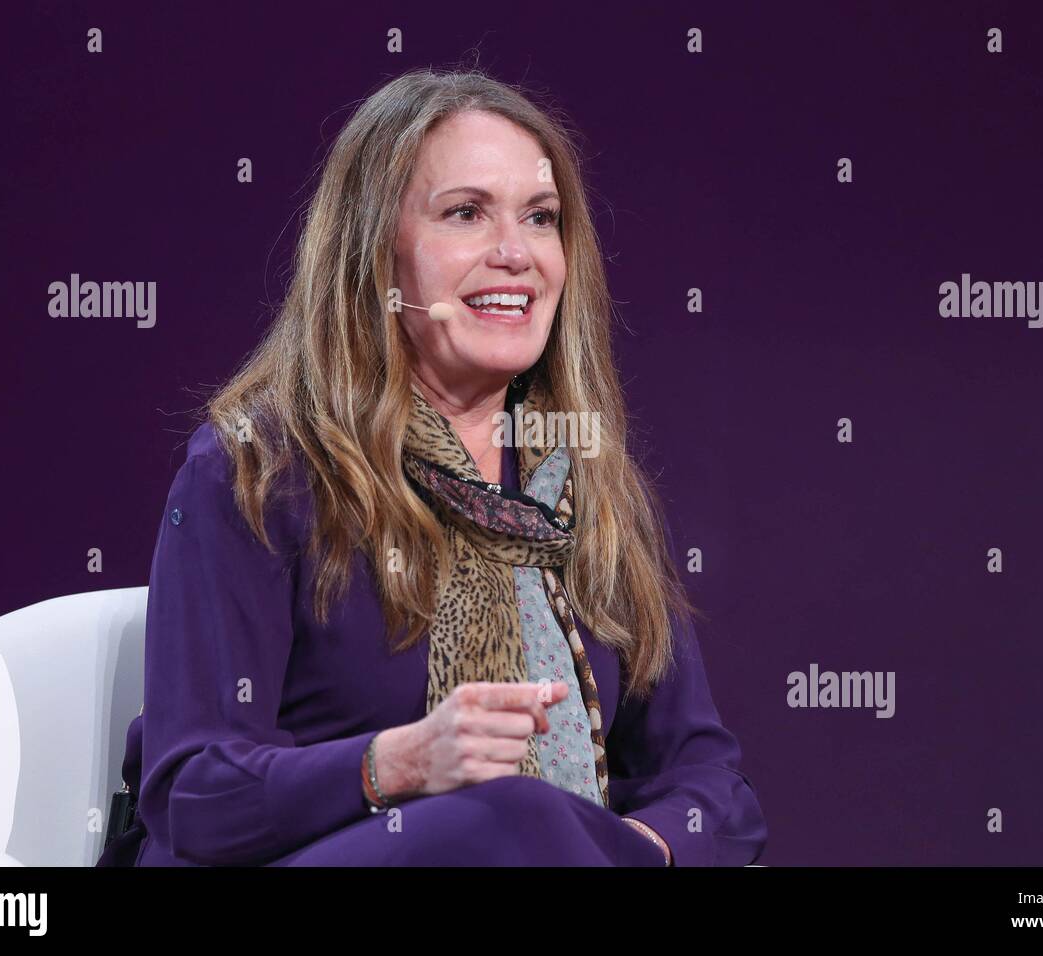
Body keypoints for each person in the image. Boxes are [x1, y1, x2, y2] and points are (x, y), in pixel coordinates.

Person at [101, 68, 767, 867]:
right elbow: (194, 795)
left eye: (541, 218)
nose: (516, 253)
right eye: (465, 214)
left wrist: (639, 847)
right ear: (375, 253)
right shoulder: (260, 465)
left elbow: (711, 783)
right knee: (512, 818)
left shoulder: (586, 483)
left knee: (533, 826)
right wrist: (401, 763)